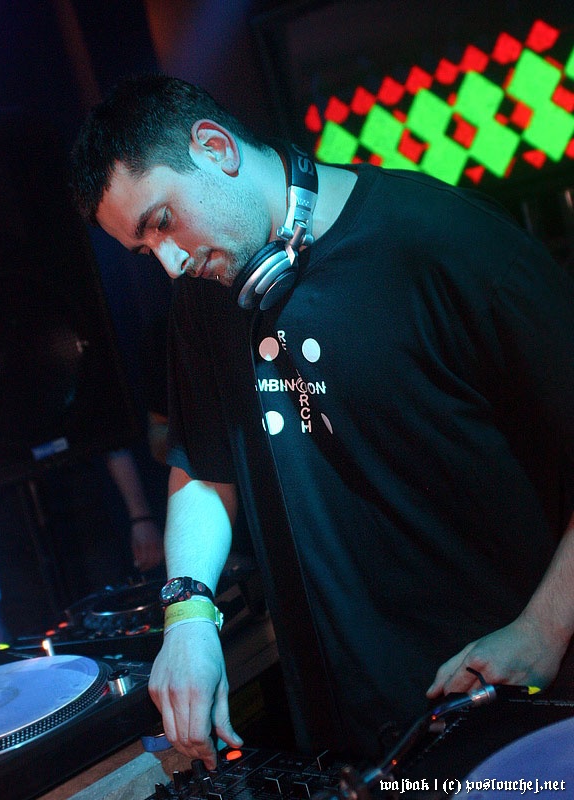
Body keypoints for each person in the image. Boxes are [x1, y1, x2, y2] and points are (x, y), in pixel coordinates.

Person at [70, 74, 574, 768]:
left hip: (500, 702)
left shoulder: (441, 241)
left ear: (216, 148)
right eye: (143, 250)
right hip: (352, 734)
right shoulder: (204, 299)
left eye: (161, 221)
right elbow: (204, 468)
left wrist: (544, 628)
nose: (170, 262)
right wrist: (187, 615)